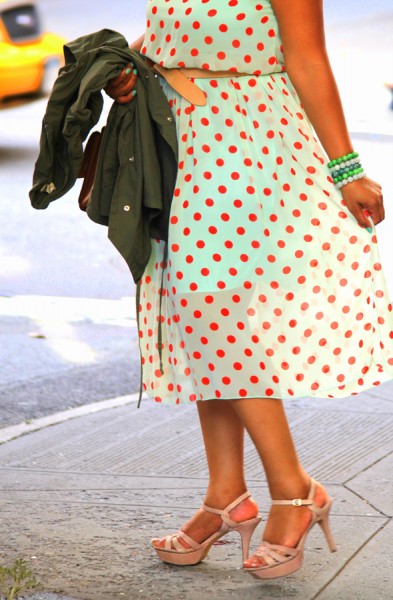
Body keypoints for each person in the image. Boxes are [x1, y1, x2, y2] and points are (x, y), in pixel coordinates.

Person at [105, 0, 393, 580]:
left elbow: (308, 60)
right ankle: (226, 492)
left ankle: (294, 492)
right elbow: (164, 34)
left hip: (250, 149)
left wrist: (346, 170)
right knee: (197, 313)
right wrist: (123, 69)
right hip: (178, 149)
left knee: (214, 313)